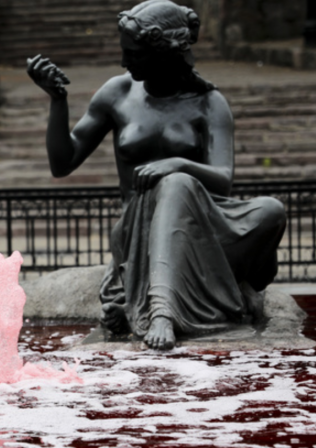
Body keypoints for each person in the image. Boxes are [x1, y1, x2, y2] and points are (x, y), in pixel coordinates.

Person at [27, 0, 286, 350]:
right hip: (139, 229)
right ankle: (162, 310)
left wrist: (177, 164)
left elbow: (222, 180)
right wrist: (58, 101)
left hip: (199, 227)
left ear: (163, 52)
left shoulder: (209, 103)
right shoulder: (116, 93)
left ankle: (197, 288)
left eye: (132, 53)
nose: (124, 61)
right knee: (175, 184)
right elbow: (63, 163)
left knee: (271, 210)